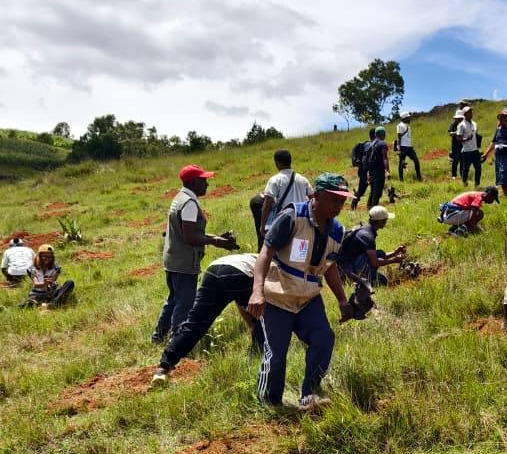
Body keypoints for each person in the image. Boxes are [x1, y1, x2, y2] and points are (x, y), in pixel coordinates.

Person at [247, 173, 354, 410]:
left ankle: (310, 394)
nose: (338, 206)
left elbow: (330, 266)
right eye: (333, 199)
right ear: (315, 196)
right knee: (277, 354)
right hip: (278, 296)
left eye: (342, 201)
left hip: (308, 298)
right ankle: (270, 402)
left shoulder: (337, 231)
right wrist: (257, 291)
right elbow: (265, 253)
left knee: (324, 339)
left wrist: (343, 300)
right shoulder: (293, 216)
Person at [153, 165, 239, 344]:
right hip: (184, 262)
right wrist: (216, 241)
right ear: (193, 182)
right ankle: (178, 342)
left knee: (173, 300)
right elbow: (190, 237)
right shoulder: (190, 204)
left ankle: (158, 337)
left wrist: (218, 240)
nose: (207, 185)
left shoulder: (180, 198)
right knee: (184, 304)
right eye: (203, 181)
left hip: (173, 259)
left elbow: (189, 233)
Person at [151, 253, 261, 384]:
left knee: (195, 324)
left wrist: (251, 324)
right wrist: (255, 324)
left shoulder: (254, 256)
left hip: (214, 270)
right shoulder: (274, 263)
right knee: (265, 323)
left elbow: (241, 302)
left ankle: (163, 368)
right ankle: (257, 359)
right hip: (239, 274)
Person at [250, 149, 311, 249]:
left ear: (277, 163)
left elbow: (267, 204)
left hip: (284, 222)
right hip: (301, 221)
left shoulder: (275, 180)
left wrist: (263, 226)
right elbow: (312, 198)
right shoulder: (303, 179)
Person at [338, 206, 408, 286]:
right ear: (380, 221)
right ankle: (359, 279)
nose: (386, 222)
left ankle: (359, 277)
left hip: (348, 264)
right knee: (382, 282)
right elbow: (375, 262)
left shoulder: (365, 228)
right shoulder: (368, 237)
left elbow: (374, 256)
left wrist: (394, 253)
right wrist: (394, 260)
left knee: (380, 254)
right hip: (348, 268)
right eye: (385, 220)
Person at [351, 127, 391, 209]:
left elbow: (366, 159)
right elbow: (385, 158)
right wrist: (387, 170)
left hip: (365, 171)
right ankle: (372, 209)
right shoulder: (379, 144)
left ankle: (356, 205)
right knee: (376, 192)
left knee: (364, 190)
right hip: (374, 172)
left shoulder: (368, 145)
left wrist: (367, 172)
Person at [456, 106, 482, 185]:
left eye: (471, 112)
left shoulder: (474, 124)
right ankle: (464, 183)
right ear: (464, 114)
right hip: (466, 151)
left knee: (478, 168)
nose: (471, 114)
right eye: (469, 112)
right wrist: (466, 139)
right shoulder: (461, 125)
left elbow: (475, 134)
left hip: (475, 150)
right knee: (466, 169)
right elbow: (458, 138)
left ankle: (477, 184)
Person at [395, 112, 421, 182]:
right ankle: (401, 179)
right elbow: (399, 137)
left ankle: (419, 177)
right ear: (405, 118)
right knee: (401, 162)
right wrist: (399, 148)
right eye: (408, 117)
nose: (410, 118)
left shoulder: (408, 126)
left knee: (416, 160)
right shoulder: (400, 125)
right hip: (403, 147)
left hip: (409, 147)